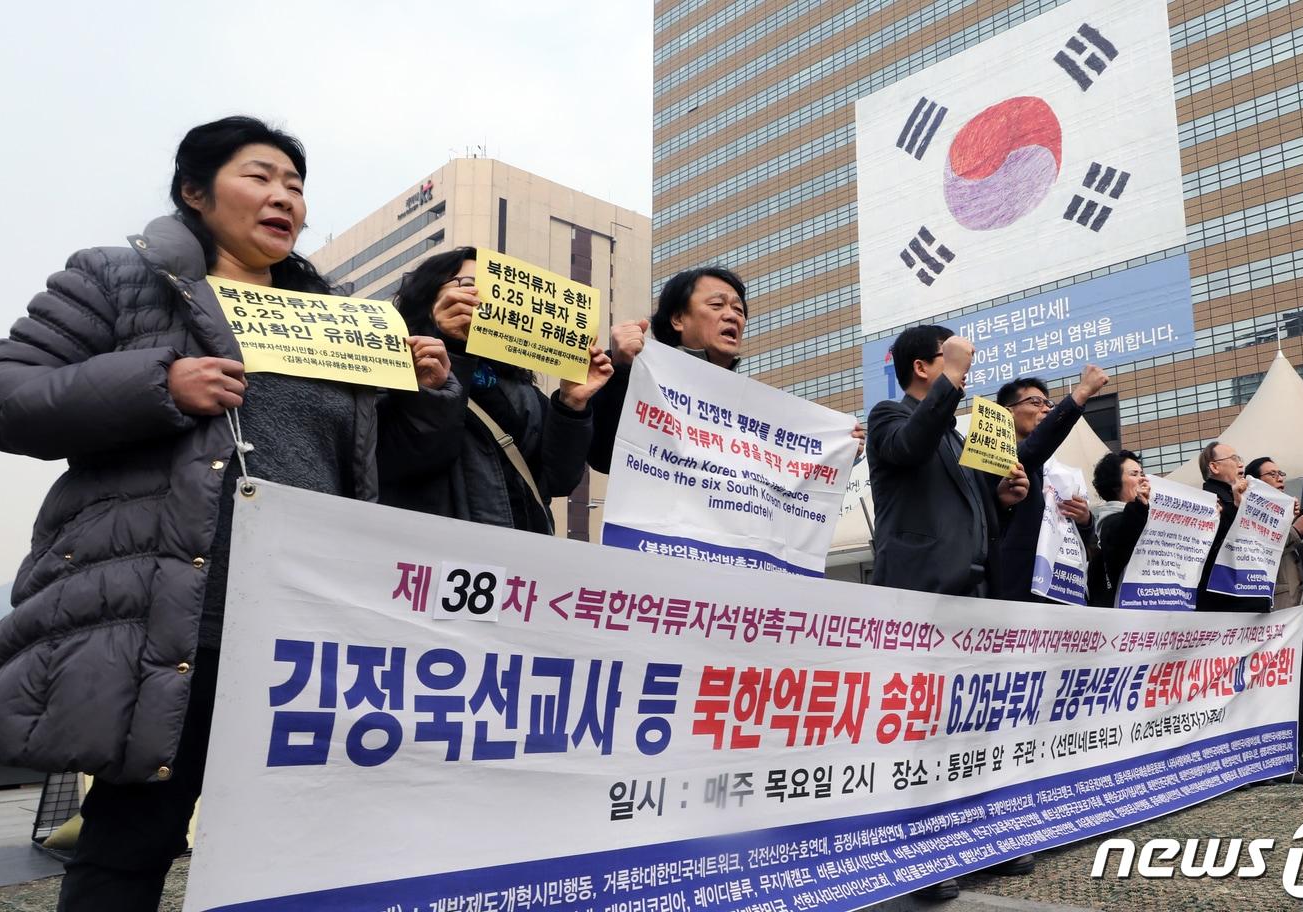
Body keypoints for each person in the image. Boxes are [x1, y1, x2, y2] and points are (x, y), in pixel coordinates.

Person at [0, 117, 461, 911]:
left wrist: (429, 391)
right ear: (194, 193)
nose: (284, 198)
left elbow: (385, 467)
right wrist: (159, 387)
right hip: (180, 616)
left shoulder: (342, 319)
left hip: (306, 627)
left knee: (296, 846)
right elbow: (3, 397)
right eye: (261, 176)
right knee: (134, 837)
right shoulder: (118, 279)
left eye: (296, 186)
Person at [867, 325, 1030, 899]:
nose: (962, 371)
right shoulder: (890, 416)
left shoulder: (957, 441)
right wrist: (954, 380)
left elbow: (971, 513)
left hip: (972, 599)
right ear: (922, 367)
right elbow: (907, 448)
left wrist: (1002, 502)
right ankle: (922, 859)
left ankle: (973, 844)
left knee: (971, 729)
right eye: (950, 361)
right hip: (923, 596)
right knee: (925, 735)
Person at [382, 248, 613, 531]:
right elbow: (407, 459)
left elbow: (559, 480)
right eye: (467, 285)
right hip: (436, 556)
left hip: (521, 559)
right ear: (427, 299)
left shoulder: (520, 389)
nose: (479, 297)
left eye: (491, 289)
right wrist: (447, 352)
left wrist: (570, 405)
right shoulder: (391, 374)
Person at [588, 266, 864, 472]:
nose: (732, 315)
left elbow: (778, 480)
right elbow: (602, 456)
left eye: (739, 310)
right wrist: (623, 371)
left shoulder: (756, 410)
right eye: (717, 305)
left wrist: (836, 454)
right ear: (678, 318)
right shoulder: (628, 373)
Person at [1245, 457, 1303, 784]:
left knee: (1302, 686)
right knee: (1277, 690)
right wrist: (1294, 530)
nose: (1281, 478)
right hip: (1277, 614)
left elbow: (1301, 558)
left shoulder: (1286, 511)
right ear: (1255, 480)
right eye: (1273, 474)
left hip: (1302, 609)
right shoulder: (1253, 511)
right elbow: (1260, 553)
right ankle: (1276, 760)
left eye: (1282, 473)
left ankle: (1298, 754)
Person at [990, 368, 1108, 601]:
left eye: (1048, 403)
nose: (1045, 408)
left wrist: (1084, 520)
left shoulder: (1059, 473)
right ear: (1007, 412)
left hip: (1059, 593)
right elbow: (1030, 451)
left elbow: (1077, 542)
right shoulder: (993, 459)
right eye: (1035, 402)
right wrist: (1081, 393)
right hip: (1013, 593)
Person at [1195, 441, 1267, 612]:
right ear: (1214, 467)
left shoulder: (1246, 495)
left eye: (1240, 458)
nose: (1241, 464)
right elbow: (1213, 545)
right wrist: (1235, 505)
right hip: (1226, 601)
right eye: (1234, 458)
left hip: (1252, 591)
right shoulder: (1204, 501)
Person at [1090, 450, 1151, 606]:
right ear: (1115, 484)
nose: (1142, 478)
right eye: (1134, 474)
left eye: (1142, 473)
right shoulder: (1110, 523)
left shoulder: (1143, 513)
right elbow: (1125, 532)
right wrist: (1139, 506)